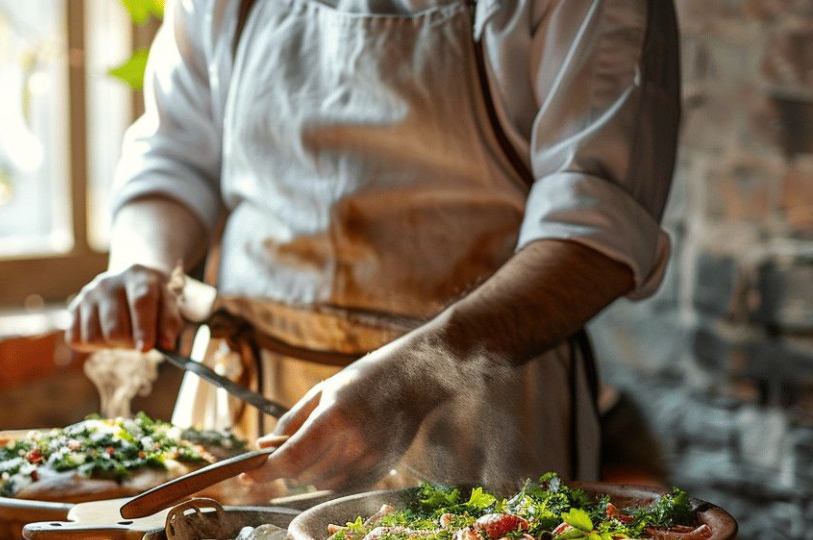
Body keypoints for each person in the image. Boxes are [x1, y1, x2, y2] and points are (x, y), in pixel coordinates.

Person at [68, 0, 680, 491]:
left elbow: (593, 236)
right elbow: (175, 155)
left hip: (476, 415)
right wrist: (143, 264)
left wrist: (411, 378)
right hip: (246, 406)